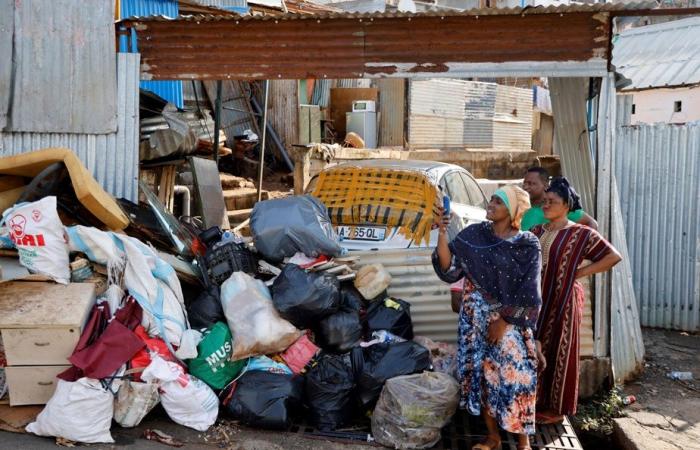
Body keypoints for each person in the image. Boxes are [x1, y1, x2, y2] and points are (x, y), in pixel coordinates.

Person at [433, 185, 543, 450]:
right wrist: (442, 231)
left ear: (513, 210)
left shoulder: (527, 243)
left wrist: (504, 322)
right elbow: (450, 268)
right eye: (491, 199)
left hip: (509, 322)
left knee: (518, 375)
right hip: (473, 318)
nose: (490, 204)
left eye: (498, 201)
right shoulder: (474, 234)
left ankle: (523, 441)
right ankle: (492, 437)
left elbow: (530, 291)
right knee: (481, 376)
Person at [530, 177, 622, 424]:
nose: (545, 205)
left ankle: (557, 410)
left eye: (552, 201)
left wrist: (580, 273)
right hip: (538, 300)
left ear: (566, 205)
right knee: (538, 347)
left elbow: (613, 257)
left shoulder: (581, 234)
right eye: (545, 201)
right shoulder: (537, 231)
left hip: (564, 300)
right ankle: (535, 401)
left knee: (561, 349)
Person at [521, 167, 598, 231]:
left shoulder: (557, 207)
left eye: (531, 184)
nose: (525, 187)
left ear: (545, 185)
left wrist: (581, 246)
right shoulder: (520, 206)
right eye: (525, 183)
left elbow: (591, 223)